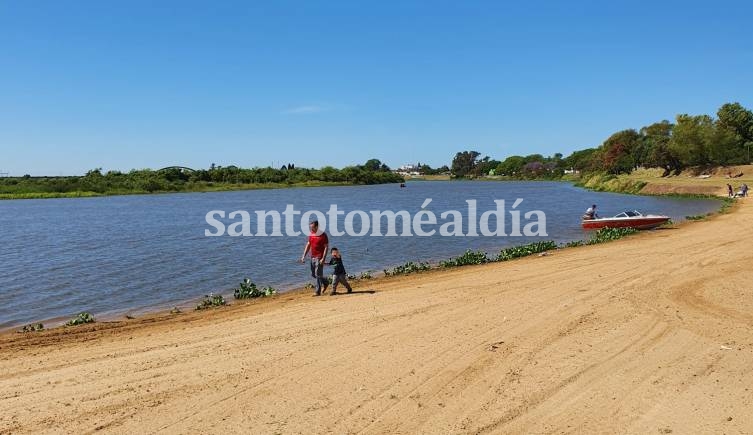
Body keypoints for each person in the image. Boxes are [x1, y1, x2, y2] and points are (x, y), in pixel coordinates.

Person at [299, 221, 329, 296]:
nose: (311, 229)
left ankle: (317, 292)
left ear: (317, 227)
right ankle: (325, 282)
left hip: (319, 257)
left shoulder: (323, 235)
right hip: (312, 257)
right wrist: (303, 256)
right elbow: (308, 244)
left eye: (312, 227)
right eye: (310, 227)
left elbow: (326, 247)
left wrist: (323, 258)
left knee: (318, 274)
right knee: (313, 274)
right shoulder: (311, 234)